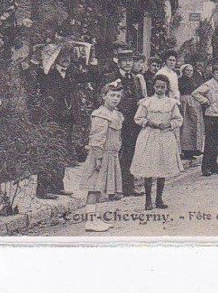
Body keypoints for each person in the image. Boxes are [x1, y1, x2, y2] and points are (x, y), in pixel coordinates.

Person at [132, 75, 183, 210]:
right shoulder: (147, 102)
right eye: (157, 87)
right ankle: (148, 200)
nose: (160, 89)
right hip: (149, 136)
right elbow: (138, 118)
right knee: (149, 168)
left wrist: (169, 124)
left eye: (163, 87)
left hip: (165, 137)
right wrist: (149, 122)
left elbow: (178, 119)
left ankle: (159, 199)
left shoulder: (171, 103)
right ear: (153, 87)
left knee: (162, 167)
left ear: (166, 88)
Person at [80, 79, 125, 232]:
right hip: (100, 156)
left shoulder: (117, 115)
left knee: (99, 189)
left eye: (118, 96)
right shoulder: (100, 115)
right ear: (104, 96)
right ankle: (90, 222)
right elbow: (97, 138)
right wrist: (99, 158)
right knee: (94, 188)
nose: (115, 99)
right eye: (112, 95)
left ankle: (95, 218)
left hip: (111, 155)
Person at [38, 45, 82, 196]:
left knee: (62, 151)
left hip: (67, 119)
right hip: (52, 118)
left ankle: (58, 185)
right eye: (62, 56)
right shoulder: (48, 74)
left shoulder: (70, 74)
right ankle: (43, 189)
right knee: (49, 150)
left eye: (68, 56)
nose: (66, 59)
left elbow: (90, 77)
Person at [107, 44, 144, 196]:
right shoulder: (113, 77)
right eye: (125, 61)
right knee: (116, 153)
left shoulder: (135, 79)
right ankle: (114, 189)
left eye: (130, 60)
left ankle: (128, 187)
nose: (128, 63)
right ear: (119, 62)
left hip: (132, 123)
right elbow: (104, 97)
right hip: (117, 120)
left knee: (130, 153)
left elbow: (139, 98)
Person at [192, 64, 218, 176]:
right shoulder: (208, 84)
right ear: (213, 73)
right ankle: (205, 168)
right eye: (217, 73)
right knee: (210, 142)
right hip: (211, 115)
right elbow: (195, 93)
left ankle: (214, 167)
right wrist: (205, 101)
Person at [178, 64, 205, 160]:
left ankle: (193, 150)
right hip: (184, 104)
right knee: (185, 126)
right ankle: (185, 150)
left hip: (194, 104)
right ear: (183, 71)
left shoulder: (194, 81)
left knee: (194, 126)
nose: (189, 73)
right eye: (187, 71)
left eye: (191, 71)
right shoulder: (179, 80)